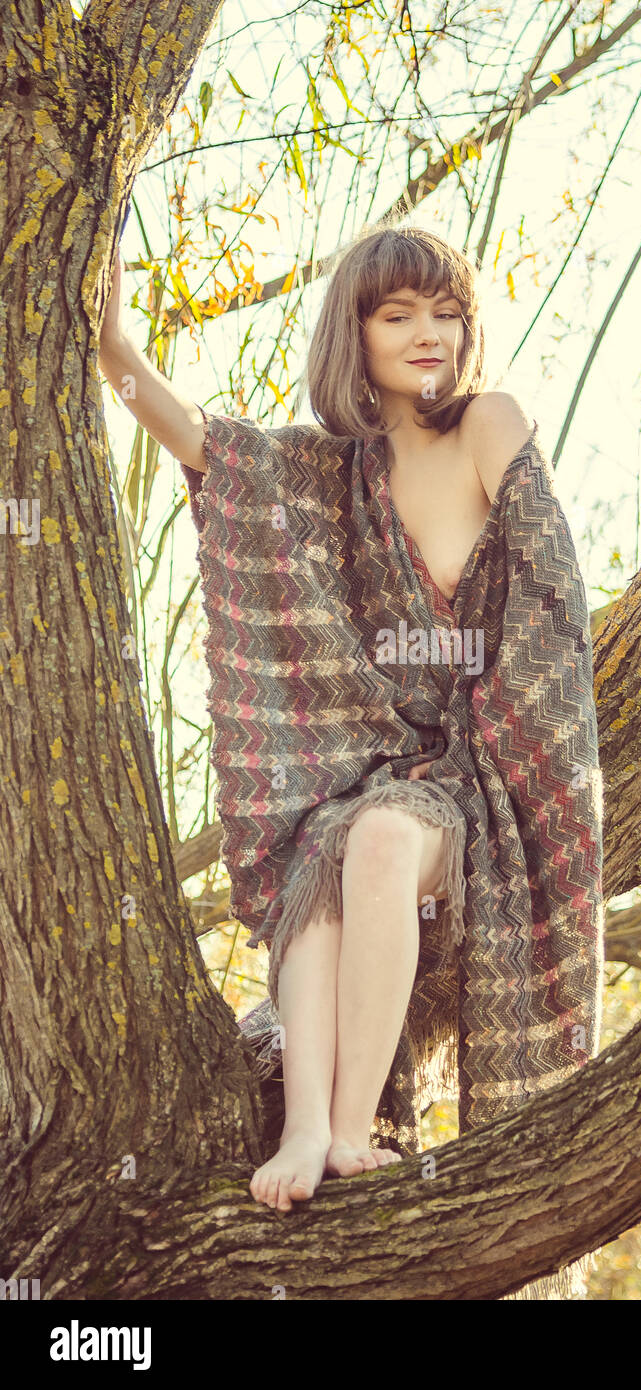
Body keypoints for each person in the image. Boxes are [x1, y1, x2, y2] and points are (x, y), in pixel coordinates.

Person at [98, 224, 603, 1232]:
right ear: (357, 334)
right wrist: (115, 345)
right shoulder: (337, 475)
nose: (430, 332)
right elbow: (211, 447)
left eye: (447, 309)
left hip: (485, 768)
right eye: (397, 312)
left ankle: (347, 1125)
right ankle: (303, 1126)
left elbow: (555, 590)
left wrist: (526, 754)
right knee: (319, 847)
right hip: (376, 770)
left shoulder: (488, 423)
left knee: (373, 838)